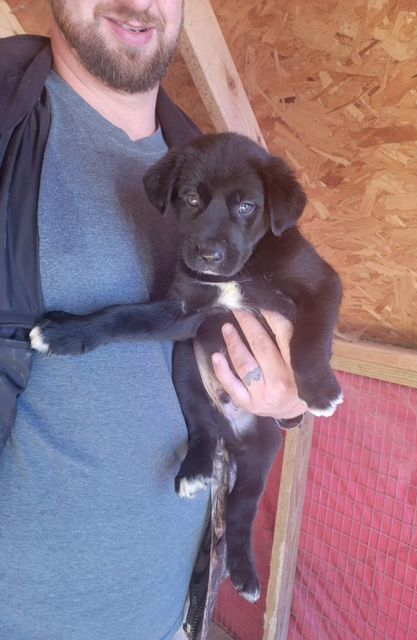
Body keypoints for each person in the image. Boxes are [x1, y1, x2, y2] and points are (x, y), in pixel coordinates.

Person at [0, 2, 307, 639]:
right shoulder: (9, 123)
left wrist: (288, 396)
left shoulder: (212, 164)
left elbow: (273, 337)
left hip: (170, 616)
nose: (139, 4)